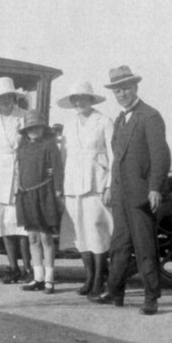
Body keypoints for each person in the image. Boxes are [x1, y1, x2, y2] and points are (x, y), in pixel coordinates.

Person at [91, 66, 171, 315]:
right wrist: (111, 188)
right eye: (117, 90)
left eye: (125, 88)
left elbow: (160, 156)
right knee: (119, 245)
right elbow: (117, 159)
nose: (122, 94)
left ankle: (151, 298)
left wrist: (155, 188)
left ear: (135, 87)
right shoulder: (119, 119)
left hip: (141, 195)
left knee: (145, 247)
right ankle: (115, 292)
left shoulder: (150, 116)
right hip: (121, 194)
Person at [56, 81, 114, 300]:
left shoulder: (104, 121)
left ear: (91, 99)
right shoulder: (69, 124)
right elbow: (64, 157)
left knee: (96, 230)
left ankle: (100, 278)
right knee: (80, 232)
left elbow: (113, 156)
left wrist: (109, 185)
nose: (78, 102)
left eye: (82, 98)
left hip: (96, 183)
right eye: (74, 99)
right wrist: (62, 186)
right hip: (73, 184)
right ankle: (89, 277)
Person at [0, 76, 32, 284]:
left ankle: (28, 267)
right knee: (3, 224)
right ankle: (13, 267)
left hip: (20, 171)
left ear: (13, 96)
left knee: (22, 225)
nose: (5, 100)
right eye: (1, 97)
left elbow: (30, 146)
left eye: (8, 96)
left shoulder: (24, 115)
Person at [15, 110, 64, 294]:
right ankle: (38, 277)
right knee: (33, 238)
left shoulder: (50, 145)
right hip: (26, 195)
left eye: (36, 127)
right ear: (25, 131)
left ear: (43, 129)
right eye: (30, 128)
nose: (33, 131)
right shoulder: (23, 147)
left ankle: (49, 279)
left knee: (46, 238)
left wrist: (57, 191)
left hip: (44, 195)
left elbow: (57, 169)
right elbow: (19, 170)